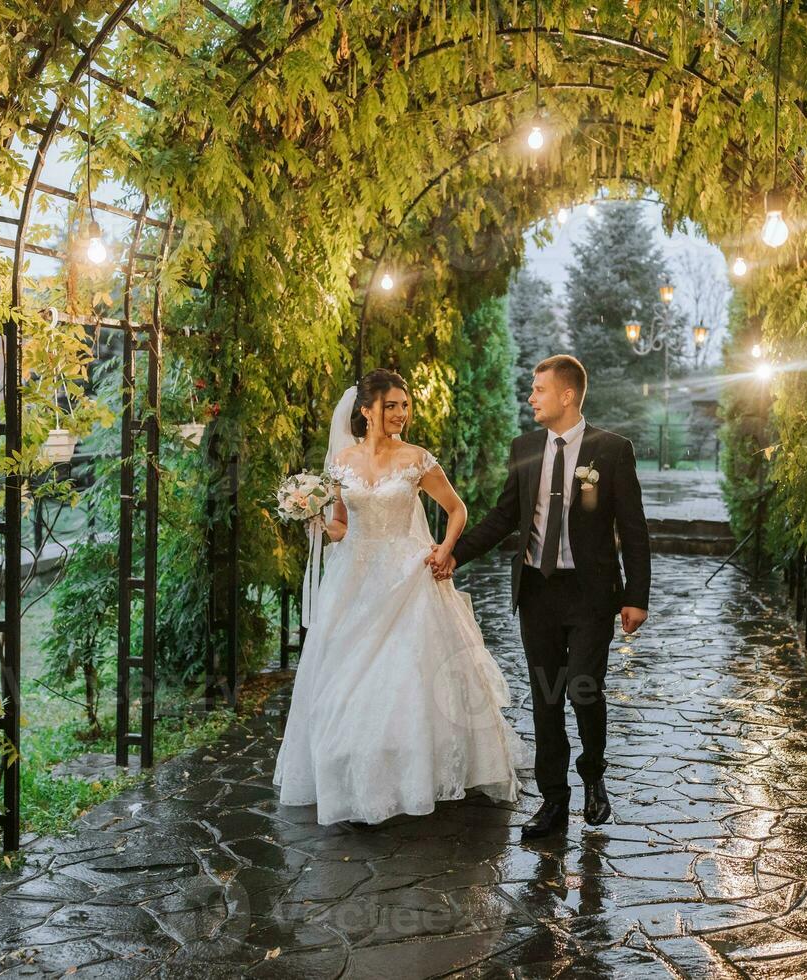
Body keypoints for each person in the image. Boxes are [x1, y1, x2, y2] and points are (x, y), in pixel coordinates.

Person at [273, 369, 525, 826]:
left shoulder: (416, 460)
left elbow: (456, 509)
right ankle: (358, 774)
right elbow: (343, 526)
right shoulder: (342, 463)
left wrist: (446, 548)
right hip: (355, 578)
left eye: (405, 405)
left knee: (406, 675)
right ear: (367, 410)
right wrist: (316, 521)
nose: (401, 414)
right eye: (391, 406)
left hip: (408, 573)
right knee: (345, 681)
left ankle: (415, 774)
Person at [430, 354, 651, 840]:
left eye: (539, 390)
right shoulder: (525, 447)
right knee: (546, 698)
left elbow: (633, 529)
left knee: (583, 688)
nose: (530, 397)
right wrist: (451, 553)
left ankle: (594, 775)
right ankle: (554, 801)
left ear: (567, 395)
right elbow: (502, 516)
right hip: (538, 592)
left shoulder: (611, 451)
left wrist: (637, 596)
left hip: (591, 593)